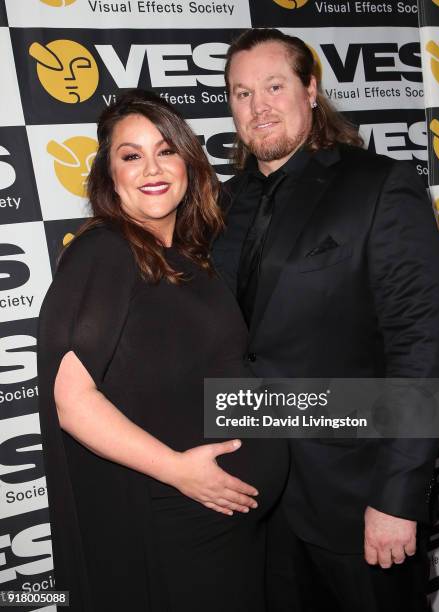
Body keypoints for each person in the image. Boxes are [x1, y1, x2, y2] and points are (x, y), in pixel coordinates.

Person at [212, 28, 439, 612]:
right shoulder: (221, 202)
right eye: (242, 94)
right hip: (253, 496)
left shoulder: (377, 185)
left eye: (274, 86)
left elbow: (424, 347)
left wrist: (397, 497)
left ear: (310, 90)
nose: (259, 106)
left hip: (358, 497)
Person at [38, 89, 288, 612]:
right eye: (131, 155)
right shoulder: (105, 250)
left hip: (225, 523)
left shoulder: (185, 256)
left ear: (188, 162)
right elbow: (72, 400)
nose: (151, 167)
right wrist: (178, 470)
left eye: (165, 150)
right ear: (109, 176)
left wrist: (400, 410)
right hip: (176, 522)